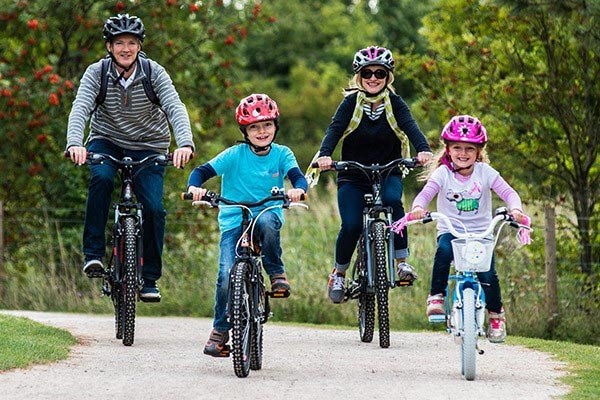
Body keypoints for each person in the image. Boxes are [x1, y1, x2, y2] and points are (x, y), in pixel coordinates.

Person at [66, 14, 194, 301]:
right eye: (119, 43)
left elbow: (175, 106)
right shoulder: (96, 73)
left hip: (149, 145)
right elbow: (81, 108)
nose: (126, 48)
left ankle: (149, 279)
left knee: (154, 208)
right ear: (109, 47)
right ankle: (94, 254)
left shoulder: (154, 73)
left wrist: (184, 143)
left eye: (132, 43)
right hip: (107, 141)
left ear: (139, 46)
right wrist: (75, 142)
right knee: (100, 178)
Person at [186, 93, 307, 357]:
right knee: (226, 274)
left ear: (276, 126)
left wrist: (297, 190)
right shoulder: (234, 154)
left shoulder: (282, 154)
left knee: (266, 220)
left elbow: (298, 177)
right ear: (245, 131)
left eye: (267, 125)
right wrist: (194, 187)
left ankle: (276, 274)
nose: (261, 131)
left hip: (267, 213)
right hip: (233, 220)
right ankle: (219, 332)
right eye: (254, 127)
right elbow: (202, 171)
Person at [310, 45, 432, 303]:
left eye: (379, 73)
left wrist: (423, 150)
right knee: (352, 224)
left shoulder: (396, 104)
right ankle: (340, 273)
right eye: (367, 73)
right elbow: (334, 130)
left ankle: (401, 262)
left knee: (392, 202)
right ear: (359, 76)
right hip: (352, 174)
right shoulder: (350, 103)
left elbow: (410, 127)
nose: (373, 78)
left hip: (388, 170)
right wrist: (324, 155)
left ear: (388, 77)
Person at [406, 114, 529, 343]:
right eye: (457, 148)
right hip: (451, 230)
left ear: (479, 151)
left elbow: (509, 193)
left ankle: (495, 315)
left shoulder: (485, 173)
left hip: (481, 233)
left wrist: (516, 210)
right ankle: (437, 296)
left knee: (487, 273)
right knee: (443, 251)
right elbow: (426, 193)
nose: (463, 153)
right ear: (448, 149)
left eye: (469, 149)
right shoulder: (442, 174)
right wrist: (418, 207)